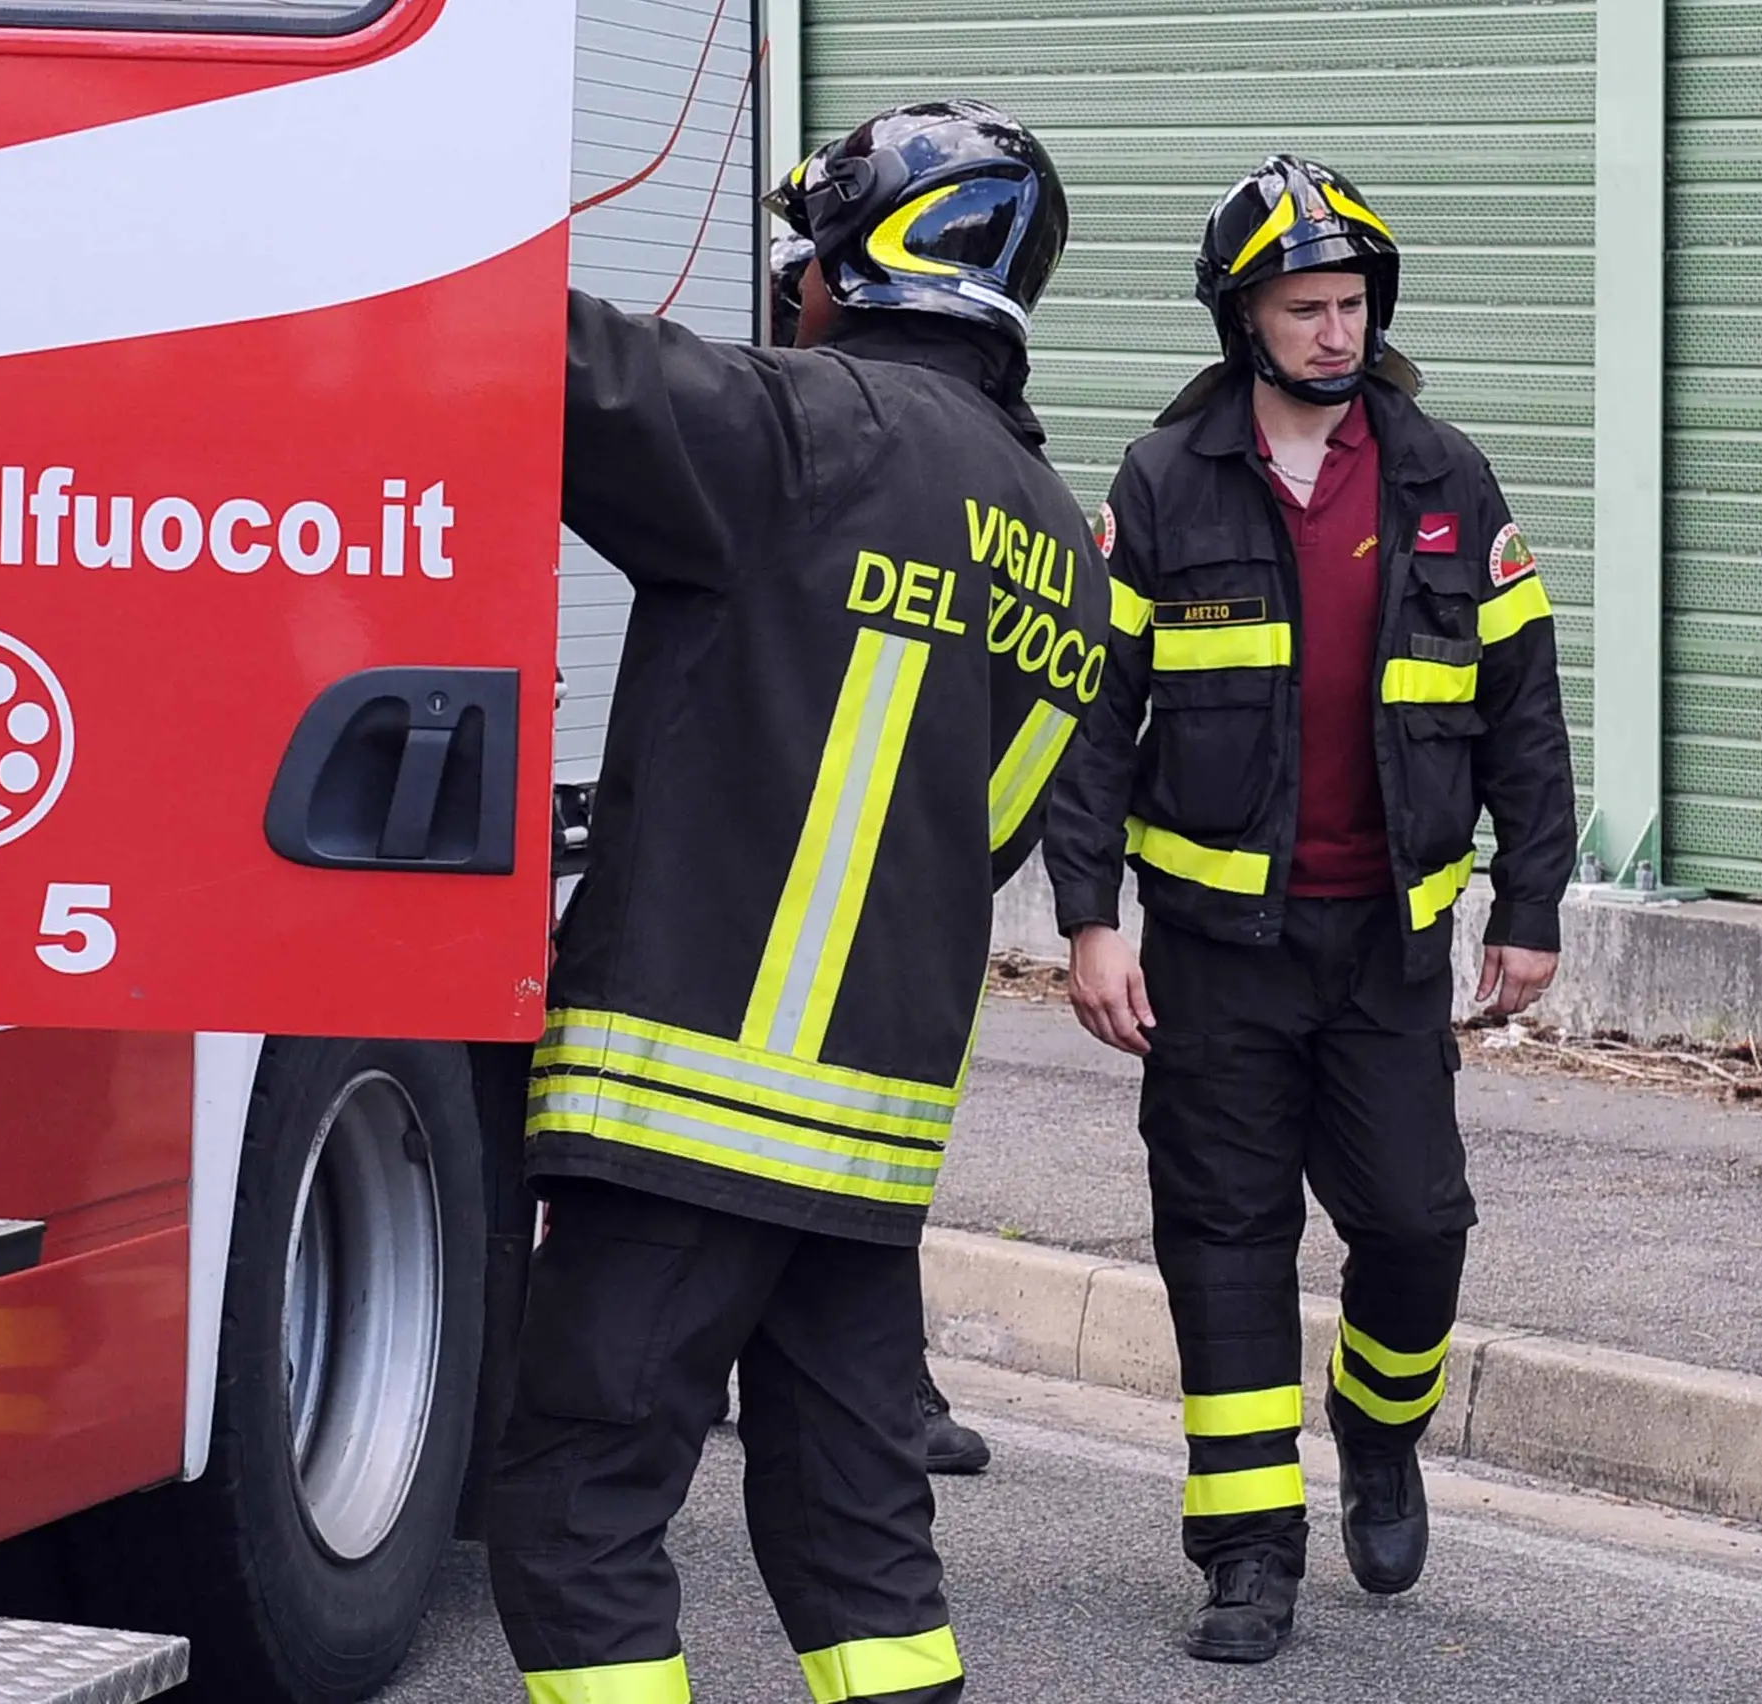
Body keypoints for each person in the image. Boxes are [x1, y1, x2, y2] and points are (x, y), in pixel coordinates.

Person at [488, 101, 1105, 1704]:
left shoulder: (808, 431)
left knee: (577, 1505)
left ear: (881, 258)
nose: (794, 290)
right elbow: (987, 837)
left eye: (809, 259)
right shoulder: (1061, 551)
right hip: (867, 1132)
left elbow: (547, 362)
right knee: (858, 1540)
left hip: (692, 1099)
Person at [1041, 154, 1576, 1664]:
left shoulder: (1445, 479)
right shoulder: (1161, 486)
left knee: (1416, 1226)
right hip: (1215, 960)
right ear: (1245, 320)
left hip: (1388, 953)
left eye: (1351, 305)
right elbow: (1091, 715)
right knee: (1223, 1246)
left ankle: (1382, 1427)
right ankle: (1247, 1557)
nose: (1335, 333)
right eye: (1305, 307)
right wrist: (1090, 919)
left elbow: (1524, 708)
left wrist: (1529, 904)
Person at [766, 227, 992, 1480]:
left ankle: (884, 1382)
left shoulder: (873, 440)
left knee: (847, 1171)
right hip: (847, 914)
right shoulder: (787, 424)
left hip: (855, 913)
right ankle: (875, 1388)